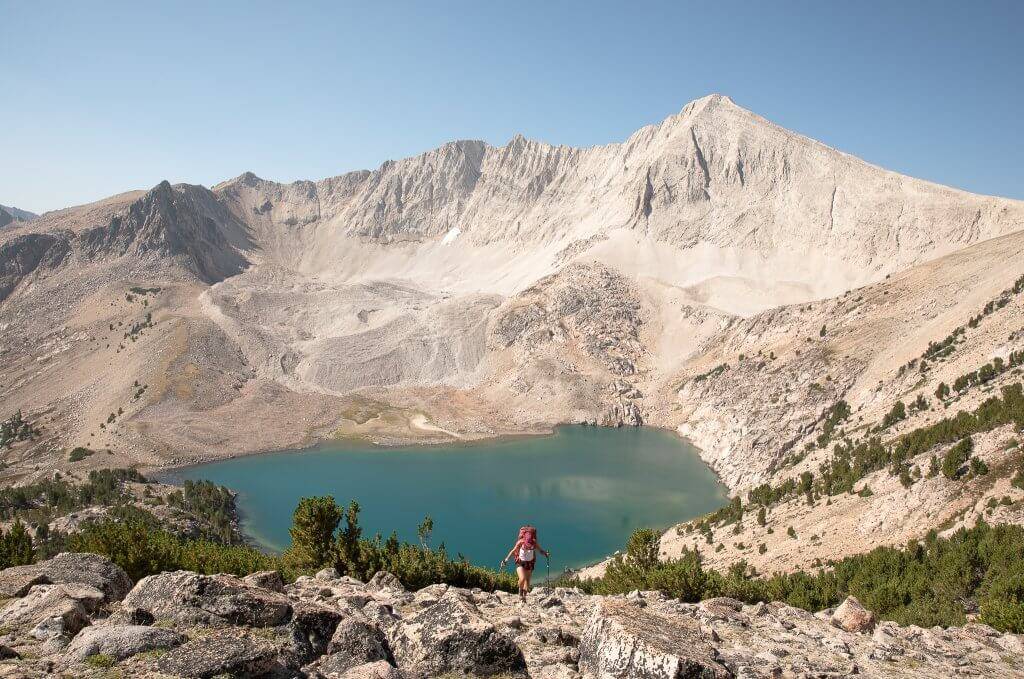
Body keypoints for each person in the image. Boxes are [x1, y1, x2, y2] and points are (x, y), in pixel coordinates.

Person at [501, 525, 549, 602]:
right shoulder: (520, 542)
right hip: (520, 562)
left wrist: (545, 554)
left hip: (530, 563)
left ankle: (524, 597)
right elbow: (513, 551)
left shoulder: (534, 542)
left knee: (527, 582)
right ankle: (520, 593)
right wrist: (505, 560)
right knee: (522, 579)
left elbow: (540, 550)